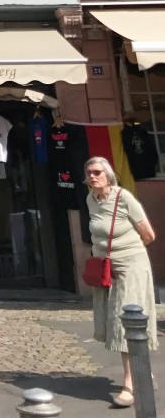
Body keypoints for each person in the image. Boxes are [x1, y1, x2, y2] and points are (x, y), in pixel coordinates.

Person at [84, 156, 158, 407]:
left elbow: (148, 234)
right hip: (107, 269)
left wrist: (126, 254)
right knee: (114, 320)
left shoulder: (123, 197)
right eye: (89, 173)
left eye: (97, 172)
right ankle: (144, 373)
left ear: (108, 175)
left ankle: (130, 385)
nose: (92, 176)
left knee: (126, 321)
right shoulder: (90, 200)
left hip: (131, 266)